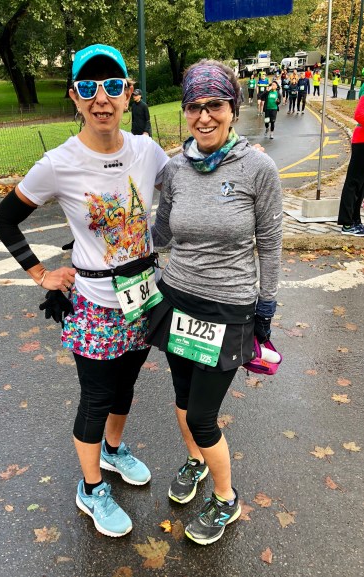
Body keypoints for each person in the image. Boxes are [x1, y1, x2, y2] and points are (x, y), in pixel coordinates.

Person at [0, 44, 169, 538]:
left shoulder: (147, 151)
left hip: (143, 297)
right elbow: (5, 218)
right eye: (88, 87)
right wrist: (39, 274)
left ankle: (112, 452)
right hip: (94, 304)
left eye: (112, 86)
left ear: (128, 93)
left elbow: (190, 184)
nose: (101, 98)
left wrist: (236, 158)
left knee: (126, 386)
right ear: (74, 96)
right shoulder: (59, 162)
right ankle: (91, 489)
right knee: (96, 398)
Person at [147, 59, 282, 546]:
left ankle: (226, 499)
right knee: (183, 398)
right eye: (194, 107)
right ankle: (195, 461)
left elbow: (270, 242)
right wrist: (117, 238)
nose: (204, 116)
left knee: (203, 416)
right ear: (185, 112)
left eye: (215, 105)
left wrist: (266, 306)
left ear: (233, 108)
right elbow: (162, 232)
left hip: (228, 308)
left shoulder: (257, 168)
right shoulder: (175, 168)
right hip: (177, 299)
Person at [337, 84, 364, 236]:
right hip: (361, 142)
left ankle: (356, 220)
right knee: (353, 182)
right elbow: (359, 114)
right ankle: (347, 224)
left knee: (361, 185)